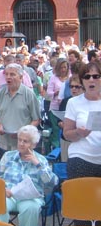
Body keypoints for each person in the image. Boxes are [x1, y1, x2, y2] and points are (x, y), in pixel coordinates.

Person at [0, 125, 58, 226]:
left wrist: (38, 164)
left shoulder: (41, 160)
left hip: (31, 198)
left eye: (25, 141)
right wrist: (3, 190)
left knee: (30, 208)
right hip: (9, 195)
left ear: (34, 144)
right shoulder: (8, 156)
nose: (21, 144)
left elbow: (52, 183)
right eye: (19, 140)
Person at [63, 62, 101, 213]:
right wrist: (79, 133)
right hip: (81, 159)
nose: (91, 80)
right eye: (87, 76)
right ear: (82, 81)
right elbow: (67, 133)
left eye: (96, 76)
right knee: (83, 210)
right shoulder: (74, 103)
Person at [0, 63, 41, 151]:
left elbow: (36, 119)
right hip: (3, 143)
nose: (8, 77)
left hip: (23, 145)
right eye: (6, 74)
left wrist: (23, 132)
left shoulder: (29, 94)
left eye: (12, 74)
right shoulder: (0, 94)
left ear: (21, 77)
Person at [46, 58, 70, 150]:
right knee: (56, 129)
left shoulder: (70, 78)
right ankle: (56, 149)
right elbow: (48, 93)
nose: (63, 70)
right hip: (55, 108)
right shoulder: (53, 78)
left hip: (67, 107)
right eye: (61, 68)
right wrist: (56, 93)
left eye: (65, 67)